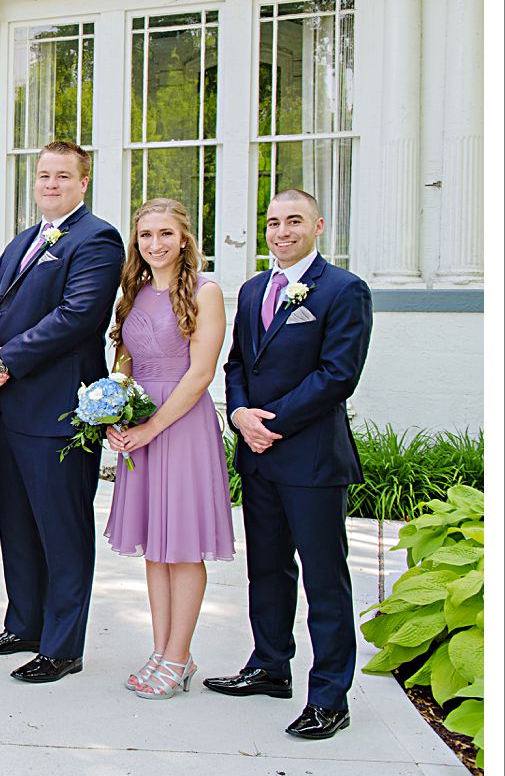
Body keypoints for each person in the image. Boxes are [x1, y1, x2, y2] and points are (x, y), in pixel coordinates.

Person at [205, 189, 372, 740]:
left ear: (318, 226)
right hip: (258, 459)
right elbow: (237, 363)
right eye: (273, 222)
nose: (281, 232)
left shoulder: (344, 289)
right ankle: (270, 666)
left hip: (311, 460)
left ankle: (329, 698)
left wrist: (269, 423)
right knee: (268, 570)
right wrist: (239, 415)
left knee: (325, 581)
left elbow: (337, 375)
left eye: (293, 221)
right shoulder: (254, 289)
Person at [0, 140, 124, 682]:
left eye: (62, 176)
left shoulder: (97, 239)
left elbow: (78, 316)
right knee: (18, 526)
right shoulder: (21, 242)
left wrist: (5, 358)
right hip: (9, 409)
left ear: (83, 183)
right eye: (43, 175)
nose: (51, 184)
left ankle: (62, 646)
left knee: (62, 531)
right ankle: (25, 624)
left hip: (58, 412)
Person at [102, 198, 234, 699]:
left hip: (180, 425)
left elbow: (201, 374)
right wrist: (113, 416)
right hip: (139, 424)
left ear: (184, 239)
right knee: (154, 548)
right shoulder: (132, 293)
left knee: (181, 545)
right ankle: (161, 651)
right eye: (145, 235)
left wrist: (151, 427)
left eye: (164, 234)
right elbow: (124, 364)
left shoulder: (206, 292)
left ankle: (179, 656)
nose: (154, 244)